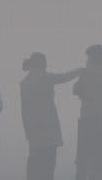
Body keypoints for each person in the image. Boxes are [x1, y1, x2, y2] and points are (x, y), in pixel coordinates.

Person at [20, 52, 84, 180]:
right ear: (41, 65)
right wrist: (80, 70)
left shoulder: (25, 82)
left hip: (35, 130)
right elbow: (64, 77)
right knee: (47, 166)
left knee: (35, 165)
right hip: (48, 129)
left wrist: (28, 131)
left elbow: (24, 112)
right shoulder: (44, 78)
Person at [73, 45, 102, 180]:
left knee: (83, 159)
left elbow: (75, 90)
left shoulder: (85, 74)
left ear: (91, 59)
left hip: (87, 121)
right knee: (99, 157)